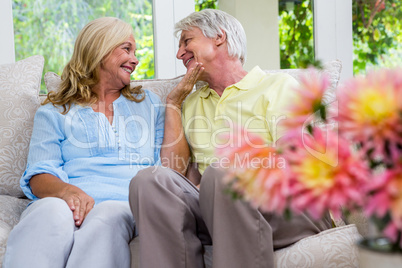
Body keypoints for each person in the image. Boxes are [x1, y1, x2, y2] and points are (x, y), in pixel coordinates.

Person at [129, 9, 332, 268]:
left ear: (219, 37)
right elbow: (175, 174)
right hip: (218, 208)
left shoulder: (279, 86)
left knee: (222, 173)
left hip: (289, 208)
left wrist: (223, 178)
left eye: (187, 41)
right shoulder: (192, 103)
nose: (179, 53)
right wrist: (174, 102)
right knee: (149, 181)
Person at [3, 17, 165, 268]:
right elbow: (39, 174)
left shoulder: (149, 103)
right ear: (99, 49)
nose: (135, 59)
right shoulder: (55, 111)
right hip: (66, 199)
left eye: (135, 52)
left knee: (107, 216)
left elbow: (168, 168)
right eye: (126, 49)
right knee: (49, 212)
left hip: (124, 202)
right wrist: (68, 192)